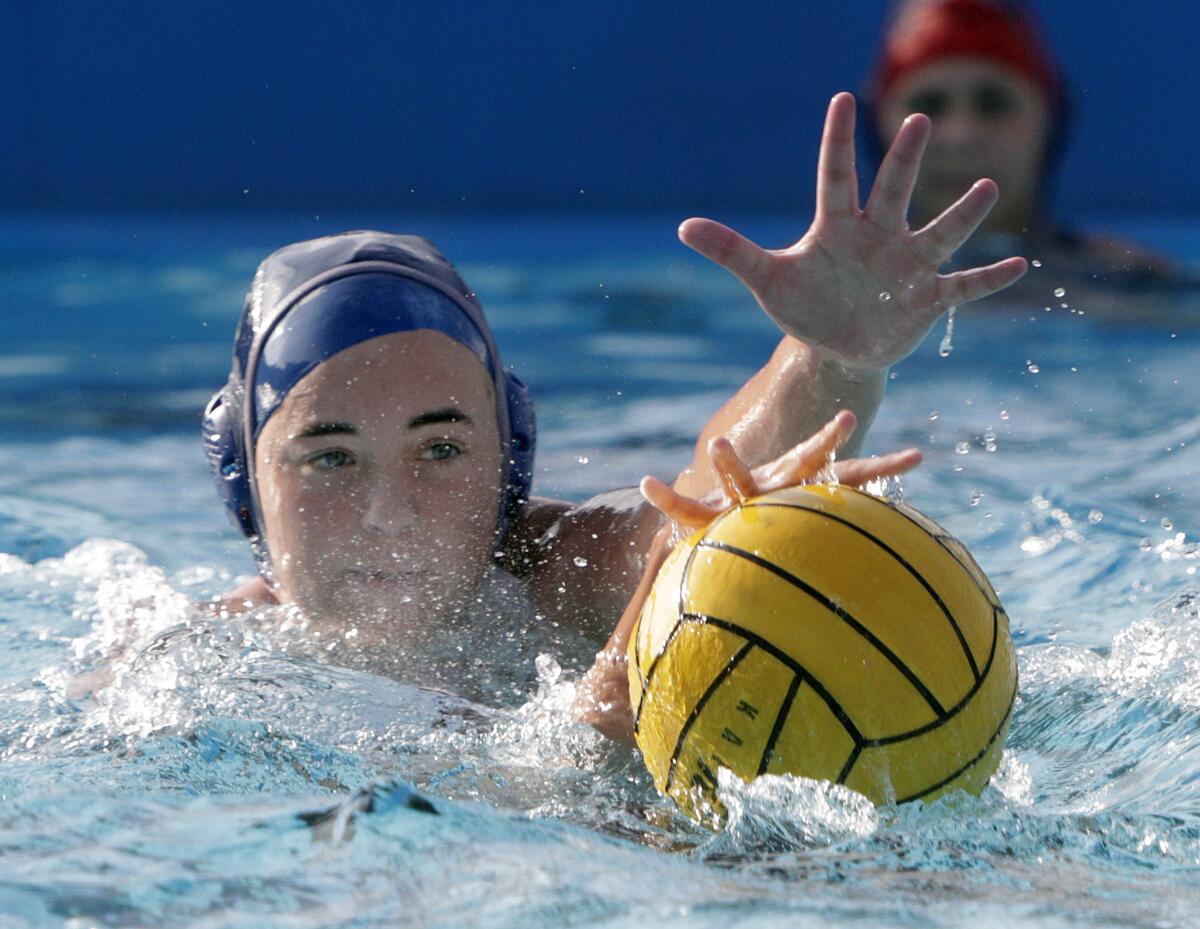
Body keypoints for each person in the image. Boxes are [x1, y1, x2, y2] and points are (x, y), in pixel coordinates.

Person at [198, 93, 1025, 727]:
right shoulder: (195, 672)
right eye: (331, 457)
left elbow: (689, 510)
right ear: (244, 484)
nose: (390, 512)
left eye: (442, 449)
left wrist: (831, 360)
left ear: (507, 462)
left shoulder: (550, 575)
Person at [865, 0, 1198, 322]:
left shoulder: (1135, 281)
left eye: (993, 104)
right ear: (878, 128)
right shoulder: (846, 293)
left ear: (1050, 121)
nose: (961, 136)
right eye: (929, 106)